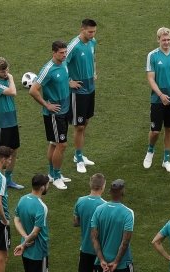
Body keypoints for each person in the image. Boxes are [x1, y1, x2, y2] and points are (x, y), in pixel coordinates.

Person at [29, 40, 80, 190]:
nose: (64, 55)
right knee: (61, 144)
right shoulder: (48, 69)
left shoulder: (63, 64)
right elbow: (33, 90)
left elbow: (64, 79)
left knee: (53, 143)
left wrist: (69, 83)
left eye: (65, 52)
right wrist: (47, 105)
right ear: (53, 53)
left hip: (64, 109)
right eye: (61, 53)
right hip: (54, 114)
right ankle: (57, 176)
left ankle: (51, 174)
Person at [144, 27, 170, 173]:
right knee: (155, 131)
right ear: (158, 40)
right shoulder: (153, 55)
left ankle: (166, 160)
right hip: (157, 99)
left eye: (168, 39)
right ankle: (150, 152)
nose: (166, 42)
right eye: (164, 40)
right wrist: (161, 95)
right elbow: (150, 78)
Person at [72, 173, 111, 272]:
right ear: (103, 186)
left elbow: (76, 222)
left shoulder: (80, 201)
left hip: (85, 249)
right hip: (100, 252)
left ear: (90, 184)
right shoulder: (104, 206)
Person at [13, 174, 51, 272]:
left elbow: (16, 220)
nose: (48, 187)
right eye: (47, 185)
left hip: (27, 247)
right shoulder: (41, 207)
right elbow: (36, 231)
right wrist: (25, 241)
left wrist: (24, 238)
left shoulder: (23, 199)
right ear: (42, 187)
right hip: (38, 248)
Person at [67, 19, 98, 173]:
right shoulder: (73, 45)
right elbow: (60, 63)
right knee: (79, 126)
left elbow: (93, 58)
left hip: (90, 88)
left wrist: (94, 72)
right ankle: (79, 158)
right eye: (89, 32)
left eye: (94, 31)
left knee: (85, 122)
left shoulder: (93, 42)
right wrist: (69, 81)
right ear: (82, 29)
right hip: (78, 91)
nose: (92, 34)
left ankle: (78, 154)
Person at [0, 57, 23, 189]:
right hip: (0, 125)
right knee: (0, 155)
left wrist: (8, 78)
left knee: (14, 151)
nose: (5, 73)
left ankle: (8, 180)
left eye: (6, 70)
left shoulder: (5, 79)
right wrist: (12, 79)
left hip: (12, 122)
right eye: (2, 72)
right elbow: (13, 92)